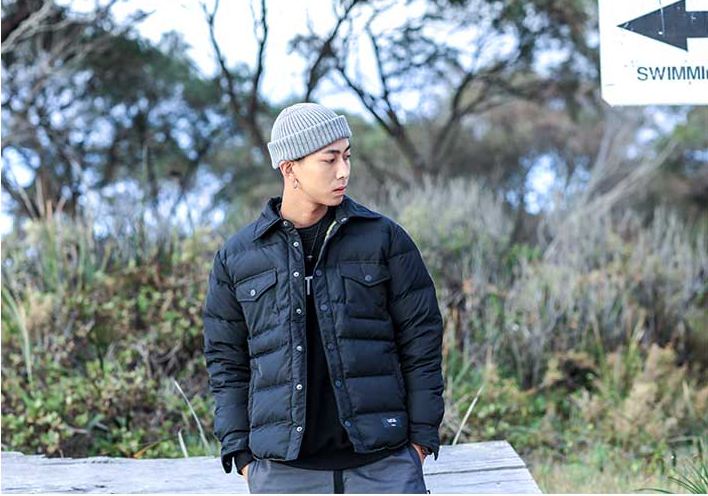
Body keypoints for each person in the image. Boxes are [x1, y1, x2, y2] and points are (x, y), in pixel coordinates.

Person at [202, 102, 444, 493]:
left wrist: (419, 441)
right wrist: (241, 454)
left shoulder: (385, 240)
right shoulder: (238, 256)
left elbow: (422, 342)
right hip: (283, 472)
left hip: (384, 465)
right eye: (329, 159)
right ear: (289, 168)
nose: (343, 170)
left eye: (347, 156)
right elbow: (226, 361)